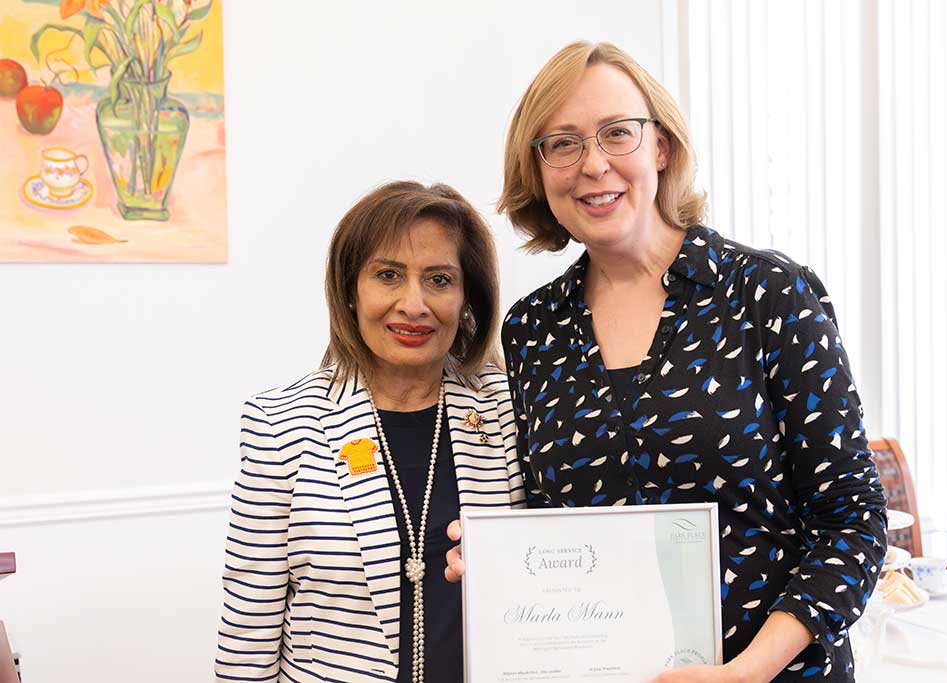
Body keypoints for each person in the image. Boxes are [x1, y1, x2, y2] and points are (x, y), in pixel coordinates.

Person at [447, 41, 887, 682]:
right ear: (538, 171)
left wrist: (747, 671)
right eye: (562, 144)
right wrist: (499, 567)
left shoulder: (766, 293)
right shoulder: (531, 330)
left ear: (660, 146)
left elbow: (852, 521)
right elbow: (551, 527)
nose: (593, 164)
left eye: (616, 133)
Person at [216, 181, 526, 683]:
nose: (413, 304)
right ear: (349, 291)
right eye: (388, 275)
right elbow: (248, 630)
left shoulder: (508, 409)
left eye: (439, 279)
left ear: (468, 297)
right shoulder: (281, 423)